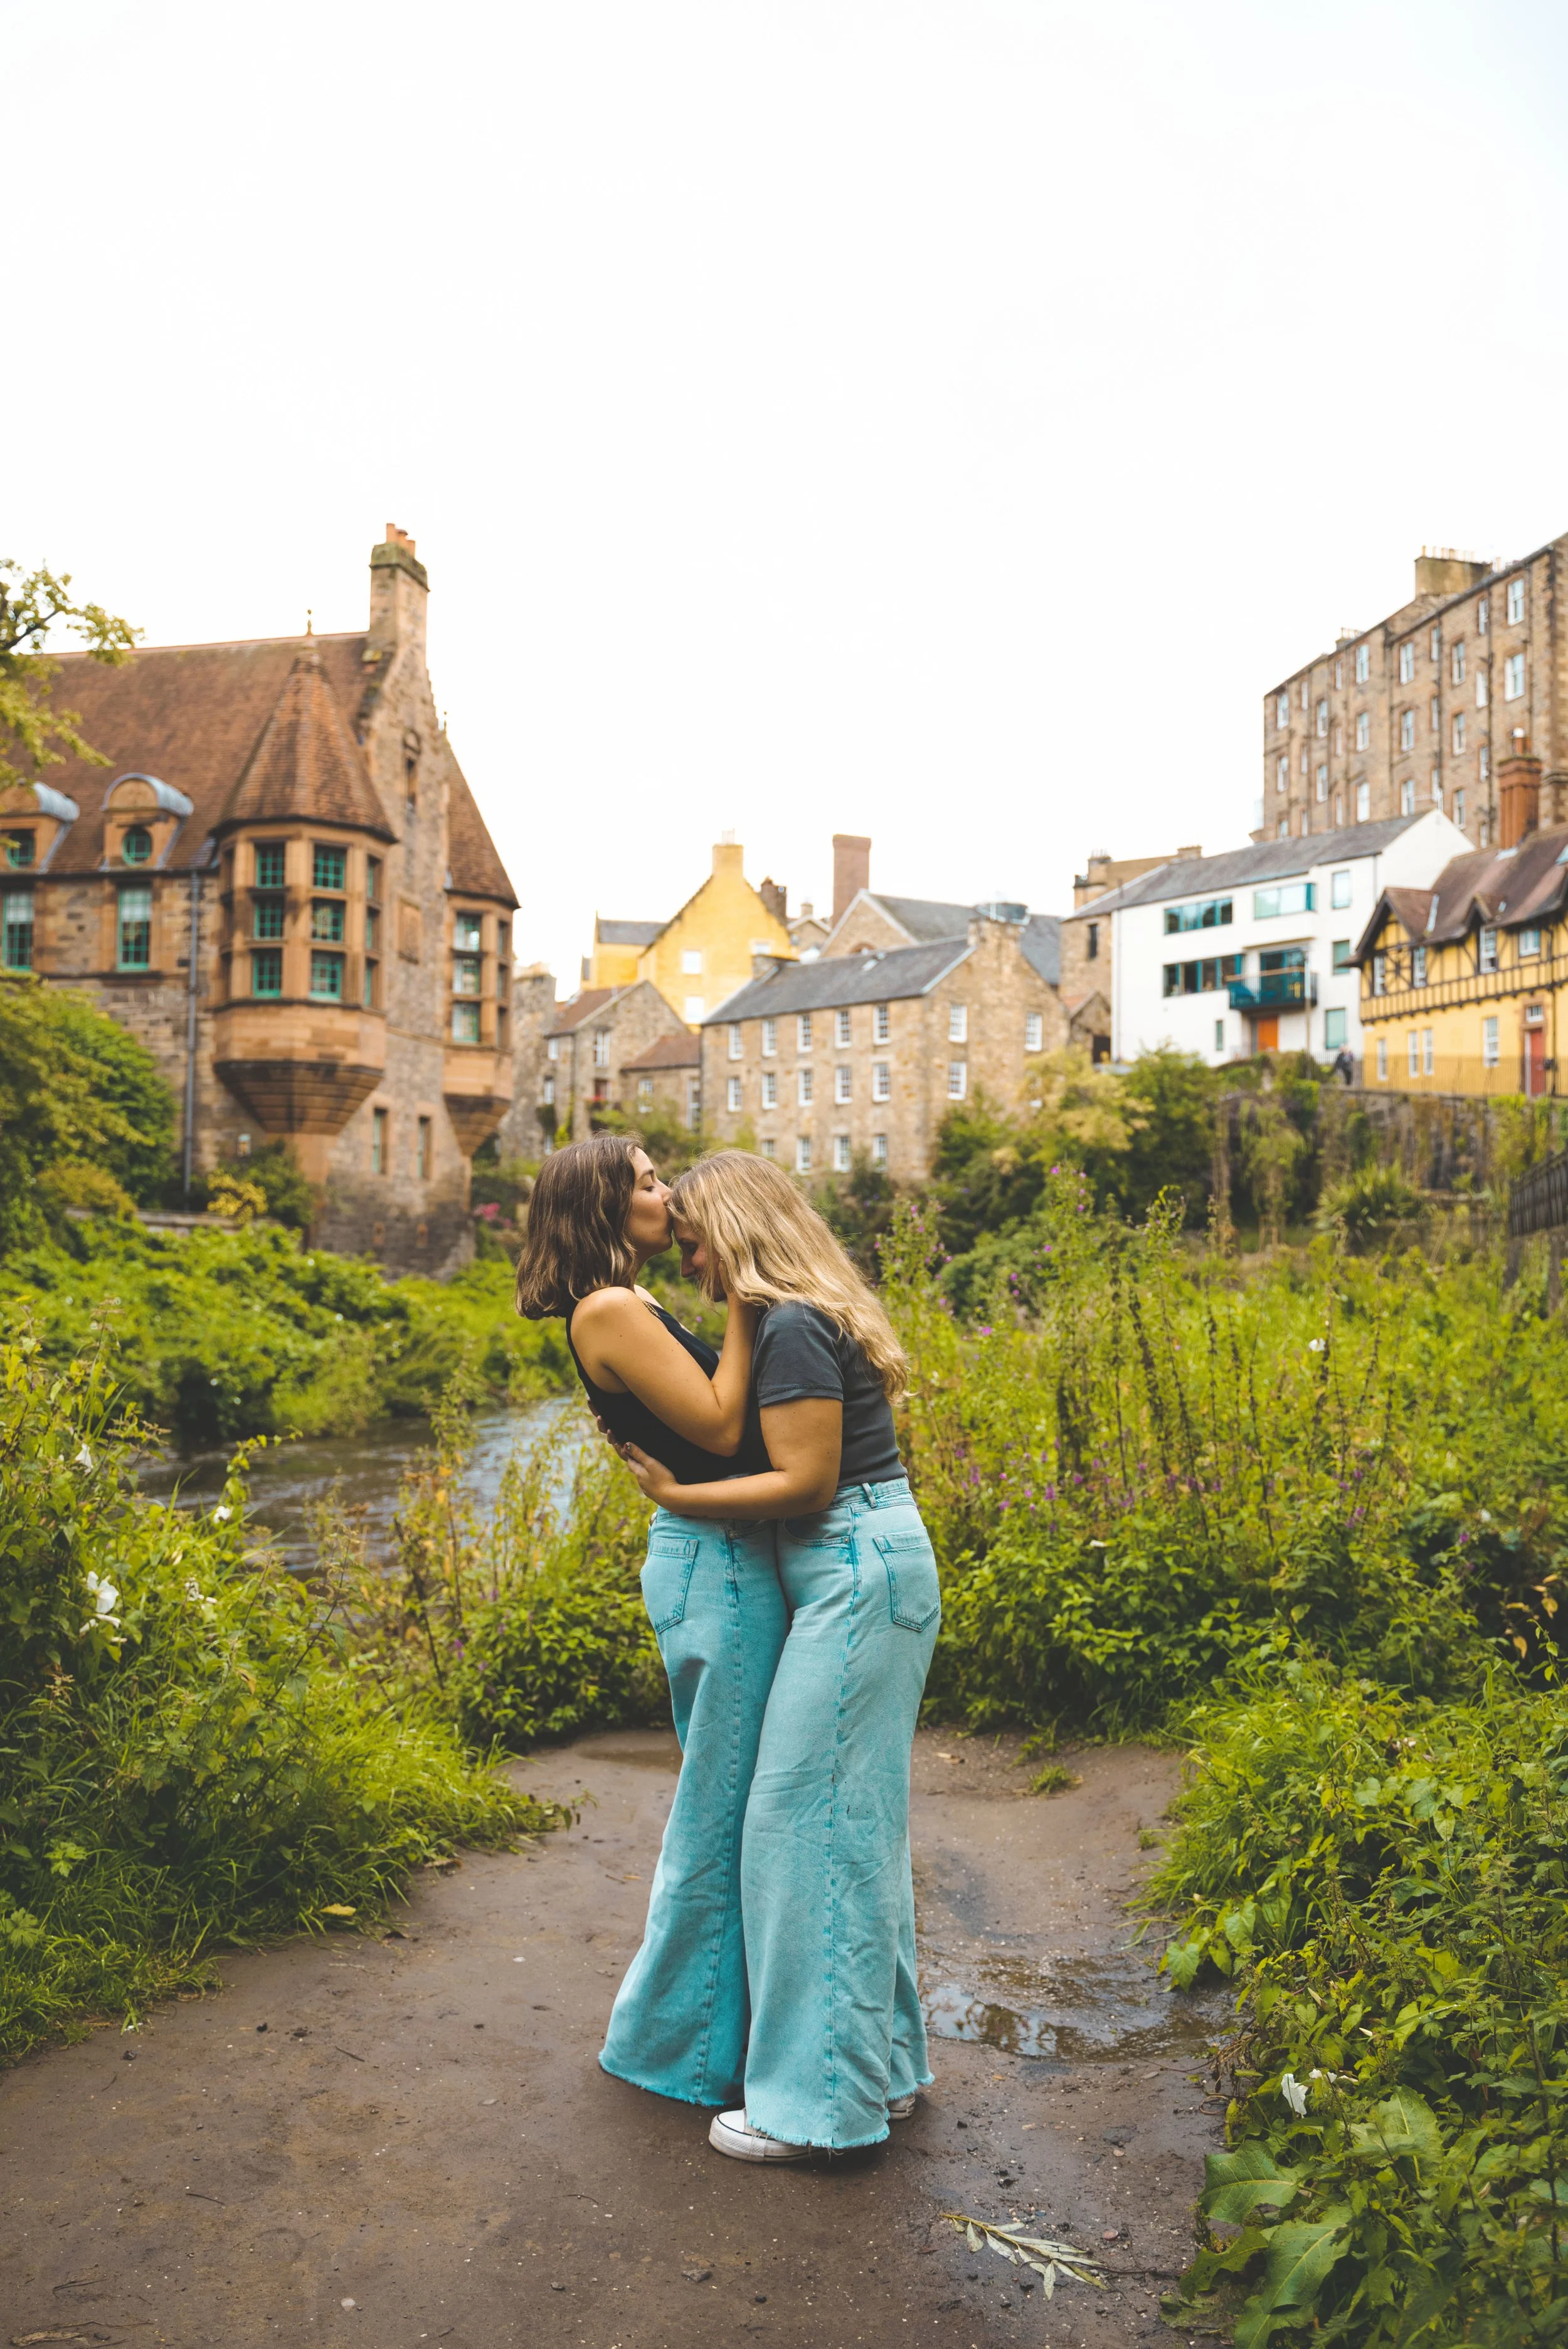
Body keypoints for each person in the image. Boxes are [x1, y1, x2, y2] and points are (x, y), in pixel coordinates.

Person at [619, 1150, 940, 2161]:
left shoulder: (795, 1326)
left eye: (702, 1242)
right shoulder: (795, 1314)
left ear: (739, 1235)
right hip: (863, 1565)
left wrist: (676, 1499)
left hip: (852, 1565)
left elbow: (805, 1482)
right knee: (847, 1828)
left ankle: (813, 2111)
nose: (696, 1264)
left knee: (799, 1830)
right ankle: (875, 2072)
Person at [513, 1133, 785, 2111]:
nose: (666, 1195)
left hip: (715, 1555)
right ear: (604, 1207)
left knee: (736, 1804)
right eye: (647, 1182)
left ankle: (716, 2039)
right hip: (709, 1564)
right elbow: (717, 1424)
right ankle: (675, 2054)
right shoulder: (612, 1308)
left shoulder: (634, 1303)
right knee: (720, 1812)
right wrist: (752, 1291)